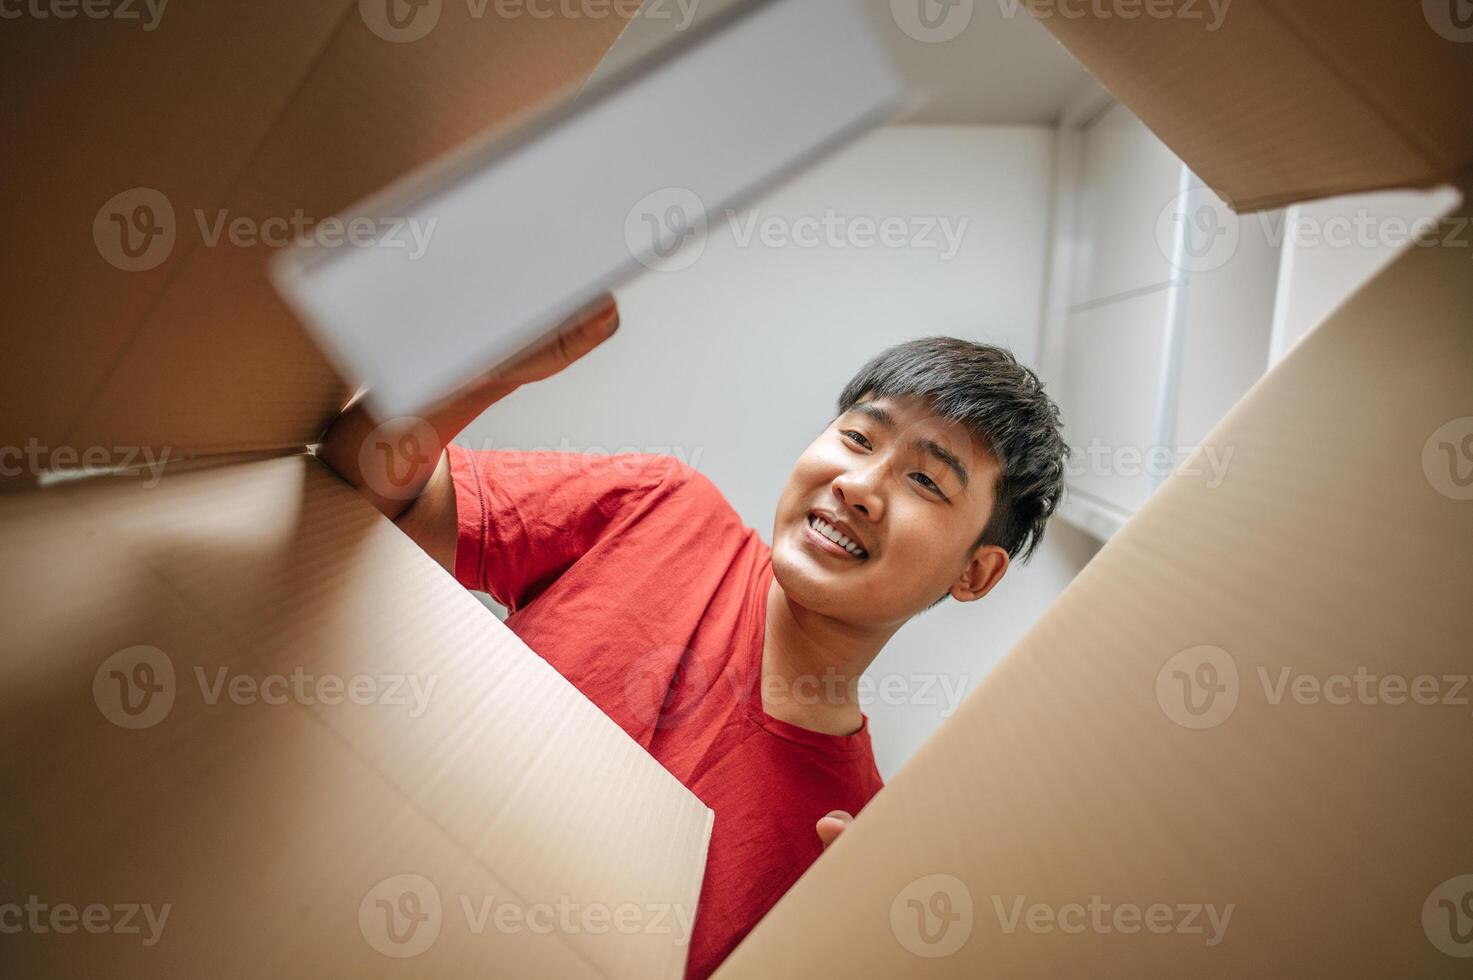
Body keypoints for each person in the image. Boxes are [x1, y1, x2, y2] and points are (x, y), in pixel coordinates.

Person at [317, 294, 1069, 978]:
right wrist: (490, 370)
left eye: (927, 482)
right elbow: (362, 471)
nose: (860, 487)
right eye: (858, 437)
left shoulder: (846, 846)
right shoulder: (659, 507)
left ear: (975, 573)